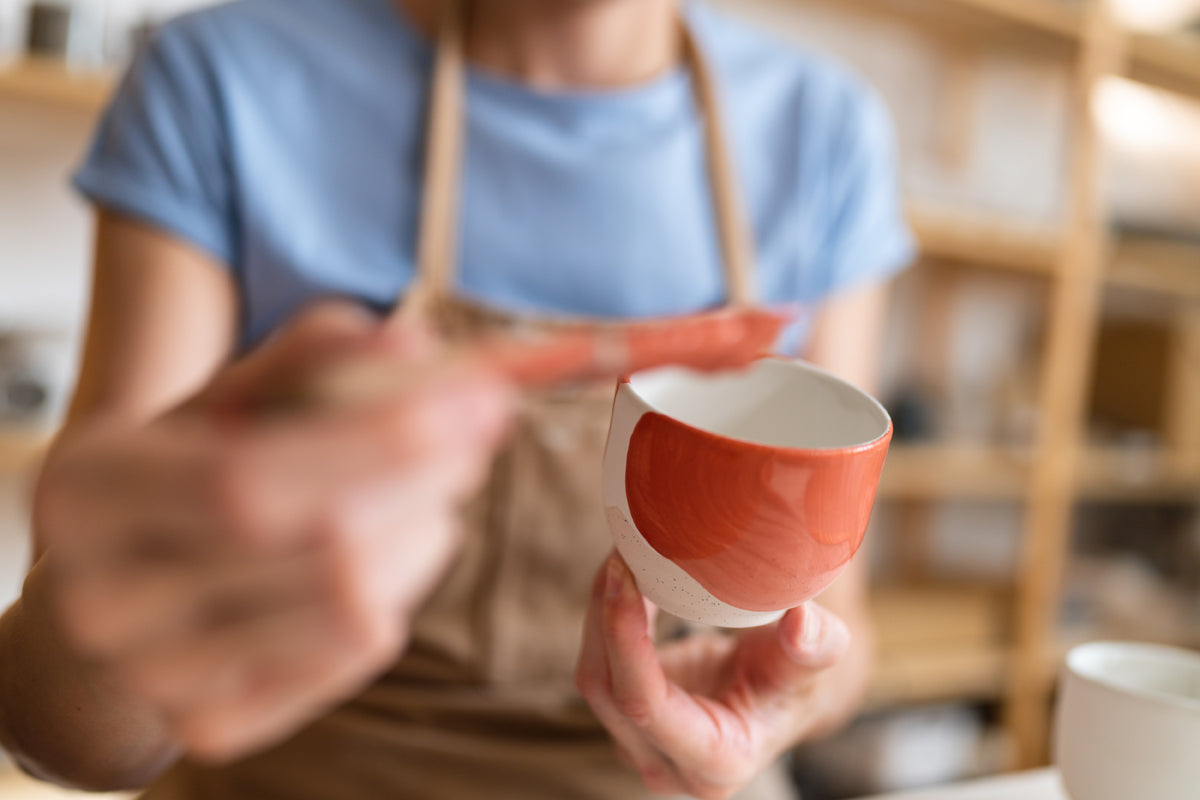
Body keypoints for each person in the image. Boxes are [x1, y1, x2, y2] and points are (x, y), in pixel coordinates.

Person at [0, 0, 914, 797]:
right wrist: (140, 615)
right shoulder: (222, 83)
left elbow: (846, 626)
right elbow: (65, 728)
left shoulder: (824, 133)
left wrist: (784, 700)